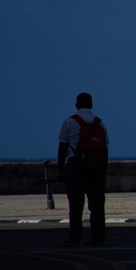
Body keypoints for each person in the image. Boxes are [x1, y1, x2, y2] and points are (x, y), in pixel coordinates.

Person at [56, 92, 109, 247]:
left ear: (76, 105)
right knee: (97, 205)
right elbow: (105, 148)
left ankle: (75, 237)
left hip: (75, 166)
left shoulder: (69, 122)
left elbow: (62, 147)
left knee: (76, 205)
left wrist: (61, 170)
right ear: (91, 105)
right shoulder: (100, 123)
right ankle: (98, 237)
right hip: (96, 168)